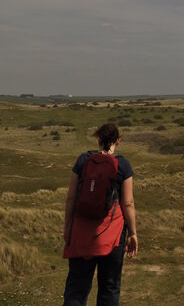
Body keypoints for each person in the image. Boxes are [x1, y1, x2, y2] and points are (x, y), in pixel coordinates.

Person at [62, 122, 138, 306]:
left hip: (81, 235)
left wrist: (67, 228)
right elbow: (127, 203)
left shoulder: (83, 160)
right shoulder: (123, 165)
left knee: (76, 289)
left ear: (98, 139)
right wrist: (133, 233)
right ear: (117, 141)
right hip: (112, 237)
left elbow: (71, 197)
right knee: (109, 289)